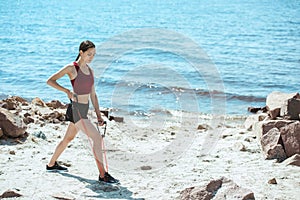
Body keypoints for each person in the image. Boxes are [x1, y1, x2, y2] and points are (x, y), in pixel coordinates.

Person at [46, 40, 118, 184]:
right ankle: (103, 175)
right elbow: (50, 81)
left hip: (84, 110)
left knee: (68, 139)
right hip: (76, 109)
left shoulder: (90, 71)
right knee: (97, 138)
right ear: (81, 52)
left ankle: (51, 164)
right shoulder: (72, 68)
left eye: (94, 55)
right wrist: (66, 91)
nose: (91, 57)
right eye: (89, 54)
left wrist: (98, 115)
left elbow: (93, 95)